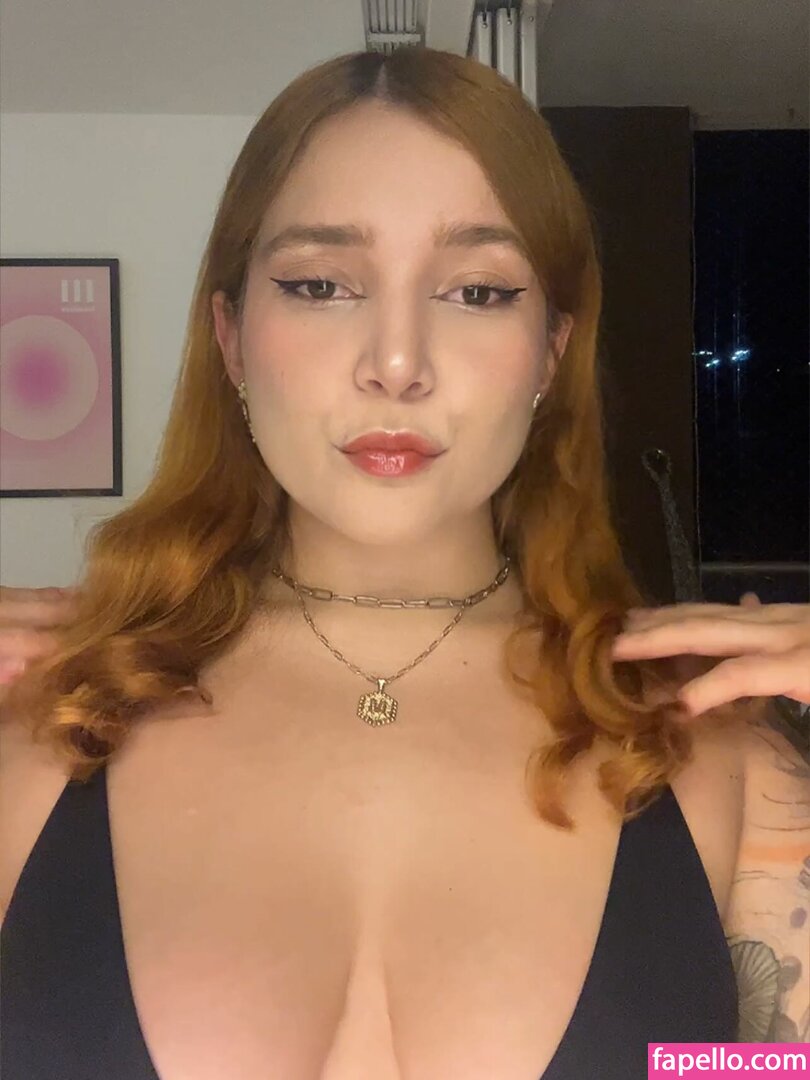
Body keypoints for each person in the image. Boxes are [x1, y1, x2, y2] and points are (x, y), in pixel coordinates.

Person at [0, 46, 808, 1080]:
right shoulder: (41, 734)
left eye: (477, 291)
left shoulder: (719, 763)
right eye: (320, 284)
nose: (396, 363)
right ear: (232, 337)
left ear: (552, 350)